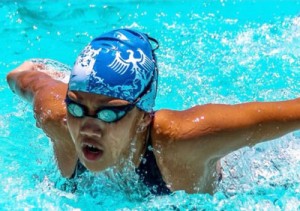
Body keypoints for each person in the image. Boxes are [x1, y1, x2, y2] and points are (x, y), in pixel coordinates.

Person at [6, 28, 300, 195]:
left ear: (144, 114)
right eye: (77, 107)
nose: (88, 127)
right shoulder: (57, 119)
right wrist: (30, 76)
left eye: (110, 113)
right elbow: (27, 75)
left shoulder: (184, 140)